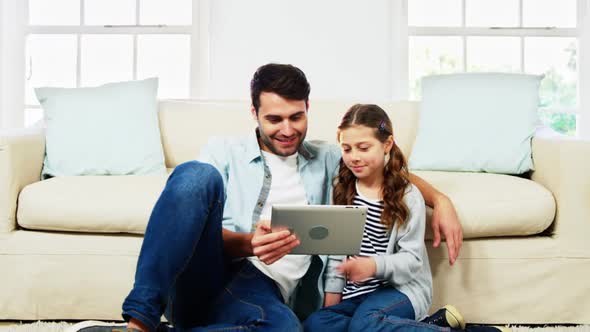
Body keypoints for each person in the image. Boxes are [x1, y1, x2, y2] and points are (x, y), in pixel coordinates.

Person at [68, 64, 463, 332]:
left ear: (308, 109)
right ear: (254, 112)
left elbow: (384, 167)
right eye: (274, 119)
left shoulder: (331, 157)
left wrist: (439, 199)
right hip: (207, 273)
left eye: (297, 117)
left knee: (288, 328)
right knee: (193, 175)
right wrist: (248, 245)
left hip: (260, 291)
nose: (287, 129)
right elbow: (184, 223)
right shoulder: (224, 152)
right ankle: (140, 322)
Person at [303, 104, 508, 332]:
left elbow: (412, 260)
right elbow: (336, 255)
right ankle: (430, 325)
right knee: (316, 324)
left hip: (399, 291)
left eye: (363, 148)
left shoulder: (408, 196)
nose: (354, 157)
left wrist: (373, 266)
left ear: (387, 144)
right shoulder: (341, 189)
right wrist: (330, 308)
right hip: (356, 297)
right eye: (347, 149)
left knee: (366, 324)